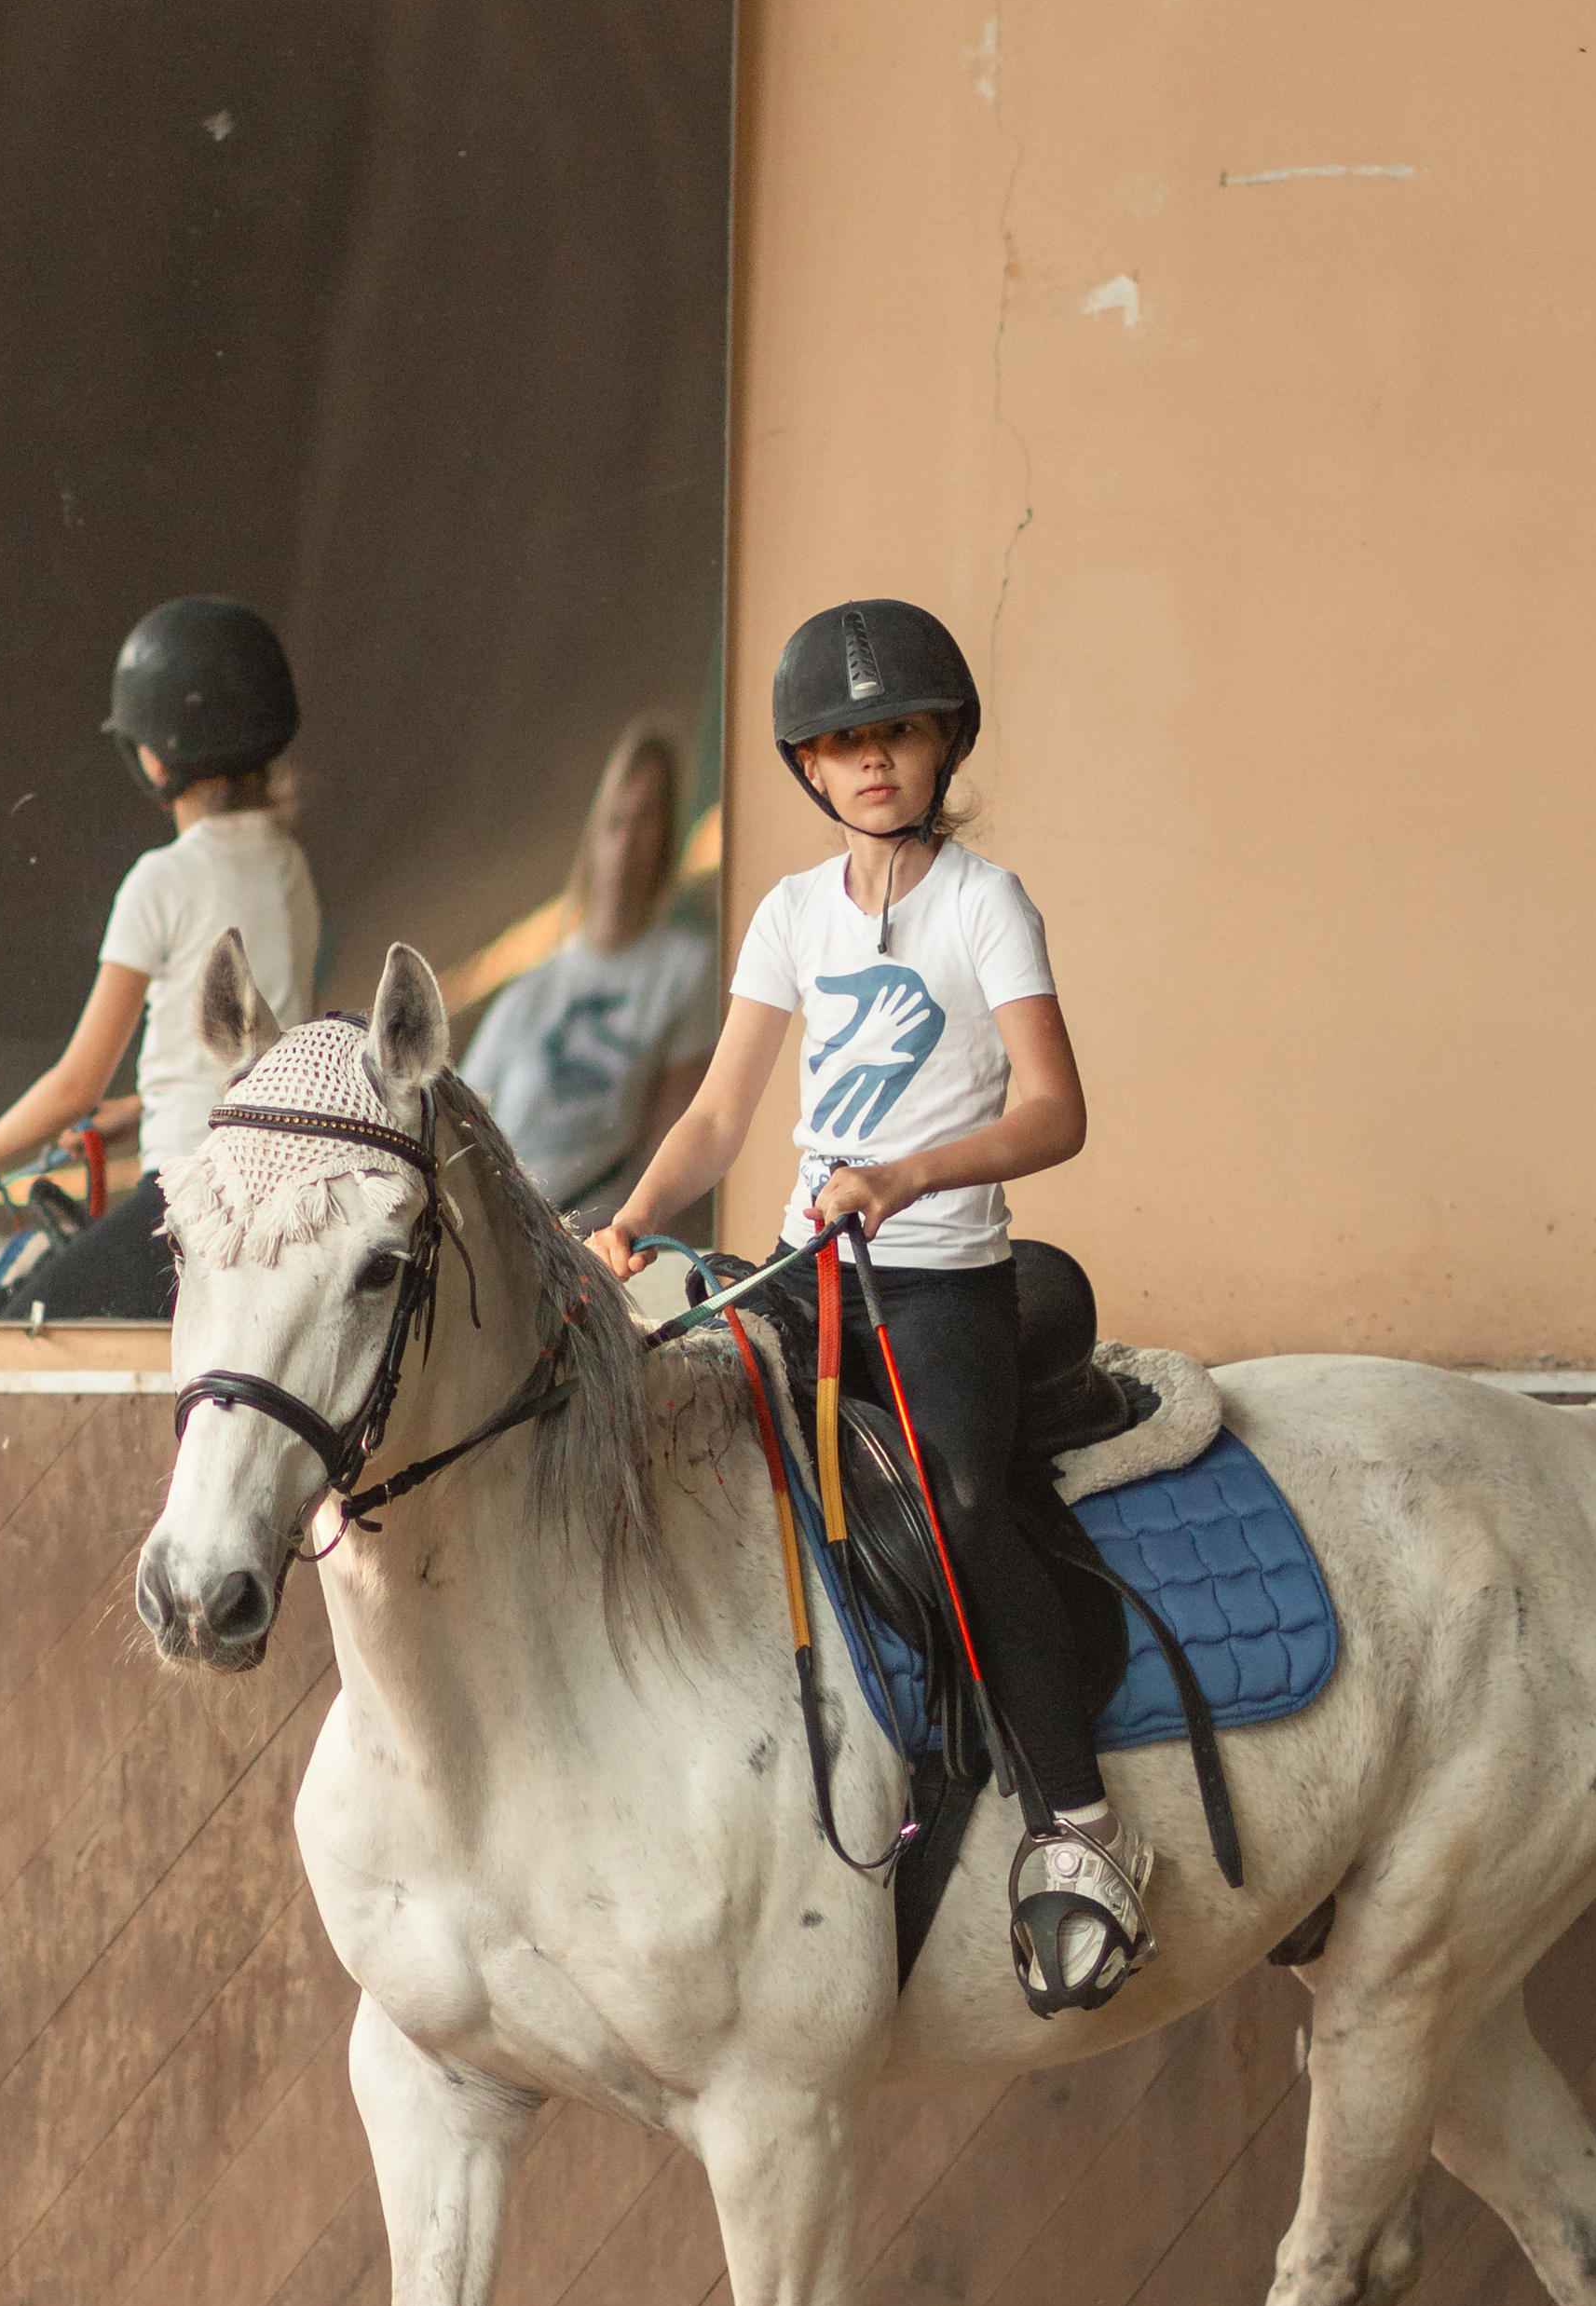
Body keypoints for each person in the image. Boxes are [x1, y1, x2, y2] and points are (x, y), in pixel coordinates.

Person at [587, 597, 1153, 2019]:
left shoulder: (985, 904)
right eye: (844, 744)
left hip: (941, 1274)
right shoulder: (788, 914)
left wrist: (903, 1176)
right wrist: (632, 1219)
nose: (875, 763)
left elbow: (1057, 1111)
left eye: (897, 732)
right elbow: (722, 1111)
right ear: (809, 768)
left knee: (961, 1500)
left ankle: (1077, 1821)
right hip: (798, 1272)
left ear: (941, 742)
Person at [0, 597, 320, 1317]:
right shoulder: (289, 867)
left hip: (190, 1199)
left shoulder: (162, 879)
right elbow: (271, 1051)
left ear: (156, 753)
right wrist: (139, 1109)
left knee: (8, 1338)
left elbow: (77, 1082)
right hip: (277, 1187)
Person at [457, 719, 714, 1228]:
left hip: (598, 1236)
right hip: (501, 1224)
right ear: (595, 833)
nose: (626, 844)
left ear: (666, 838)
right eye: (616, 822)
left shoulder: (686, 969)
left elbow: (670, 1144)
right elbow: (461, 1125)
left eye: (645, 821)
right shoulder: (531, 991)